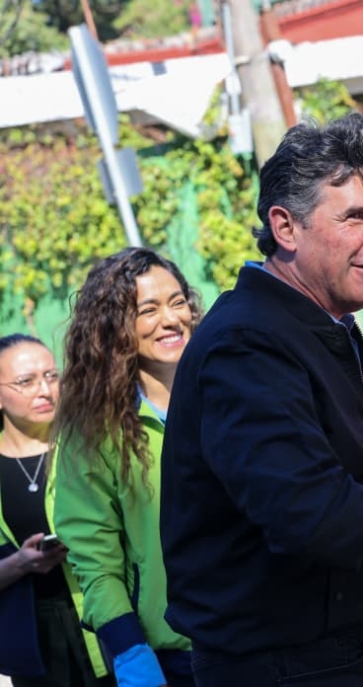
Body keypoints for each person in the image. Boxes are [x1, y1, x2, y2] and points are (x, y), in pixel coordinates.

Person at [160, 112, 363, 687]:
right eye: (354, 217)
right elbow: (315, 515)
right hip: (291, 664)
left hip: (332, 648)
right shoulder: (247, 343)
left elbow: (342, 453)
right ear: (285, 227)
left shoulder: (314, 322)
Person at [52, 247, 199, 687]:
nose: (170, 320)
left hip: (271, 632)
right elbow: (95, 561)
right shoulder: (93, 431)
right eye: (147, 310)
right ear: (113, 326)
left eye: (177, 302)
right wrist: (131, 651)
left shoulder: (230, 390)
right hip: (179, 655)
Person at [0, 334, 112, 687]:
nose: (45, 390)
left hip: (107, 618)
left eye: (51, 375)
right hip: (32, 641)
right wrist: (19, 564)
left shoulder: (89, 443)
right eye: (26, 381)